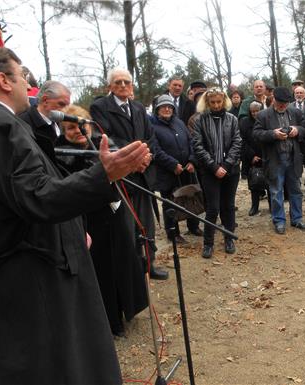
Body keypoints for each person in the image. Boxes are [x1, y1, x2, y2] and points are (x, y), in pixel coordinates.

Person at [0, 46, 150, 385]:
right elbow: (38, 197)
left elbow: (15, 196)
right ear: (3, 80)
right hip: (30, 272)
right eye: (23, 76)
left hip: (7, 269)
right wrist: (103, 174)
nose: (28, 85)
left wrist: (72, 227)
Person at [55, 104, 148, 337]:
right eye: (69, 128)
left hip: (115, 214)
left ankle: (129, 308)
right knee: (102, 271)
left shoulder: (103, 143)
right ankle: (110, 321)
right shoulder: (60, 153)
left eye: (80, 126)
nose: (77, 131)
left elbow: (124, 171)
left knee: (124, 262)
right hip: (89, 220)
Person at [90, 68, 168, 280]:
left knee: (147, 224)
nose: (123, 85)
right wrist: (134, 158)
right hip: (122, 175)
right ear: (110, 87)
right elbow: (104, 138)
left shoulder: (138, 108)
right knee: (126, 227)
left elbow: (150, 137)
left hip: (143, 174)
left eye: (127, 82)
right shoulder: (100, 107)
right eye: (118, 82)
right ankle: (132, 271)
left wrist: (146, 156)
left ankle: (150, 264)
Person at [191, 88, 242, 258]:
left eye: (219, 102)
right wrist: (214, 167)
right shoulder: (200, 120)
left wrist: (226, 165)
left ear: (224, 101)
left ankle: (229, 238)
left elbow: (237, 143)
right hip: (209, 170)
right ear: (206, 103)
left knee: (228, 206)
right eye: (212, 102)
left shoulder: (232, 119)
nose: (216, 105)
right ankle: (208, 243)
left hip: (230, 170)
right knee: (212, 208)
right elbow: (198, 146)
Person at [253, 87, 305, 234]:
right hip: (275, 159)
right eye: (280, 102)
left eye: (286, 103)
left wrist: (297, 130)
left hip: (293, 157)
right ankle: (279, 221)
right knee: (276, 191)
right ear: (274, 99)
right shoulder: (263, 115)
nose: (283, 105)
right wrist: (273, 134)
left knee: (296, 190)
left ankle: (297, 219)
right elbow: (256, 134)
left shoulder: (296, 112)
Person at [149, 94, 203, 244]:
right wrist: (172, 164)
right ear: (157, 109)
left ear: (173, 109)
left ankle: (193, 226)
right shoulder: (152, 127)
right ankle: (173, 233)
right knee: (170, 203)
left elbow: (191, 141)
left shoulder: (179, 122)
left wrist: (192, 160)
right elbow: (155, 150)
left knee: (190, 197)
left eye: (169, 106)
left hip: (187, 169)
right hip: (167, 172)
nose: (167, 109)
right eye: (163, 107)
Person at [18, 80, 70, 162]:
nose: (66, 110)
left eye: (68, 105)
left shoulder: (63, 124)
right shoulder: (23, 124)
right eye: (61, 104)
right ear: (45, 100)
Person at [240, 100, 268, 216]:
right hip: (251, 157)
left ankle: (273, 206)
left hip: (267, 156)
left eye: (257, 111)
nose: (255, 114)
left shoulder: (267, 120)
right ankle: (254, 206)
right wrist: (251, 155)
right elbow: (242, 141)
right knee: (254, 183)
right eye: (253, 112)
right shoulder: (244, 122)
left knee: (270, 182)